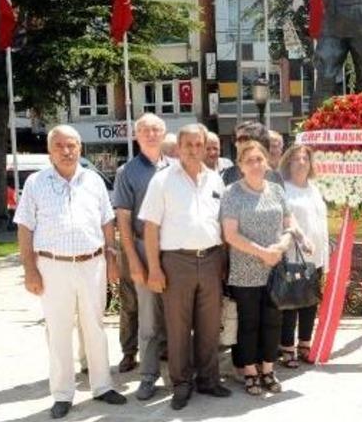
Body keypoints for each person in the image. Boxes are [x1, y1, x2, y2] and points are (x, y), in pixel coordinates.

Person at [14, 125, 127, 419]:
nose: (66, 151)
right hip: (53, 267)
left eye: (72, 145)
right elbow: (25, 228)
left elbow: (107, 222)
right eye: (60, 146)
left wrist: (112, 259)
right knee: (59, 331)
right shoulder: (36, 183)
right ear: (50, 151)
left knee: (95, 326)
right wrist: (30, 270)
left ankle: (102, 386)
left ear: (80, 148)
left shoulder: (93, 181)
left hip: (93, 264)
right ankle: (63, 394)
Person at [139, 124, 232, 411]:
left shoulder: (216, 180)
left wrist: (224, 263)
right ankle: (181, 384)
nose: (194, 150)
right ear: (178, 148)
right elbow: (151, 228)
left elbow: (223, 225)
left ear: (206, 148)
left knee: (209, 324)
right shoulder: (163, 180)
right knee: (178, 327)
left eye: (198, 144)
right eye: (188, 145)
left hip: (212, 258)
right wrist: (154, 268)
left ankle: (208, 379)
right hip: (176, 262)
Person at [220, 141, 309, 394]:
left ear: (267, 162)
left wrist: (280, 247)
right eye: (249, 161)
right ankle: (249, 371)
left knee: (272, 322)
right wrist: (262, 253)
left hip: (275, 270)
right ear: (240, 166)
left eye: (259, 159)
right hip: (245, 271)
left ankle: (268, 370)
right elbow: (230, 234)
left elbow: (289, 222)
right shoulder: (232, 193)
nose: (256, 165)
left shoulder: (277, 190)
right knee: (249, 324)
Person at [112, 113, 171, 400]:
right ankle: (148, 376)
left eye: (156, 129)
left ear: (164, 133)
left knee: (175, 316)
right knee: (147, 319)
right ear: (136, 135)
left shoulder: (176, 167)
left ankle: (179, 373)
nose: (150, 134)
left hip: (173, 250)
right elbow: (122, 220)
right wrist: (133, 262)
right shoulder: (127, 172)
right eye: (145, 130)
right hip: (141, 250)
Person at [277, 144, 329, 368]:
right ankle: (287, 348)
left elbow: (323, 224)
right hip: (293, 255)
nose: (301, 163)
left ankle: (305, 345)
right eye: (296, 159)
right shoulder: (283, 189)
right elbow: (286, 220)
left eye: (305, 159)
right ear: (288, 162)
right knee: (291, 302)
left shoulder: (315, 189)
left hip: (315, 256)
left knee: (309, 302)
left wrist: (325, 257)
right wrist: (299, 239)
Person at [222, 121, 282, 186]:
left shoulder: (275, 177)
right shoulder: (229, 175)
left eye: (241, 139)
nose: (236, 144)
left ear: (257, 140)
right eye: (235, 140)